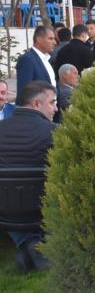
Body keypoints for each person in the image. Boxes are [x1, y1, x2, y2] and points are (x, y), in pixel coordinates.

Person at [0, 81, 58, 271]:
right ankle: (36, 246)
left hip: (4, 211)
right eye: (52, 102)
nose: (56, 109)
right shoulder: (55, 133)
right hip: (42, 209)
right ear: (36, 104)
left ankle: (27, 243)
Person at [15, 25, 57, 104]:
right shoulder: (28, 59)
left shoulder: (45, 59)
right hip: (37, 110)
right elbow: (24, 92)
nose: (54, 42)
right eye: (50, 38)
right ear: (39, 39)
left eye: (54, 39)